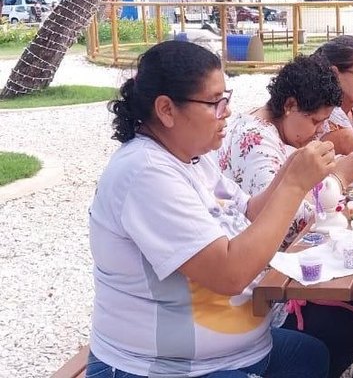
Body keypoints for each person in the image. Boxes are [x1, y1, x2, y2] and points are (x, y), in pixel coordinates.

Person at [87, 41, 331, 377]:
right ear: (166, 110)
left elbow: (249, 212)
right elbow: (230, 274)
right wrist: (294, 186)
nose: (227, 111)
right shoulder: (145, 173)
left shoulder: (192, 158)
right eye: (215, 102)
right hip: (164, 369)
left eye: (226, 99)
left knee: (311, 354)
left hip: (229, 355)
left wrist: (289, 171)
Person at [218, 55, 353, 378]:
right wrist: (339, 179)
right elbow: (284, 224)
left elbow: (283, 197)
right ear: (290, 105)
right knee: (344, 324)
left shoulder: (276, 132)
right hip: (261, 287)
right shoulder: (257, 143)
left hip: (268, 272)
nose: (318, 132)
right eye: (315, 122)